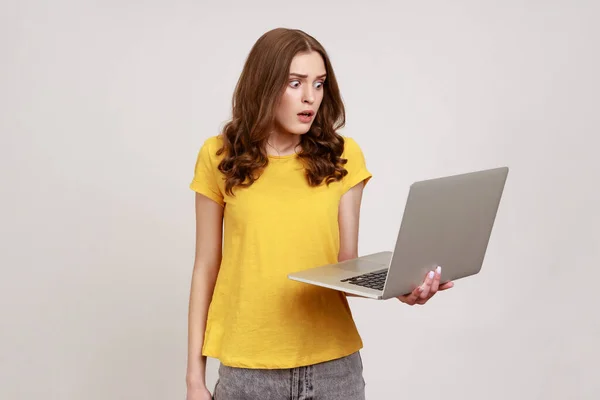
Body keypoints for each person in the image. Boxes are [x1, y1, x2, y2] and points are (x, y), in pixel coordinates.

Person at [185, 27, 454, 400]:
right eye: (295, 83)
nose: (310, 97)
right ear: (264, 85)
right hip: (249, 373)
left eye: (319, 83)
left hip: (334, 371)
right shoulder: (218, 157)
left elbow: (346, 266)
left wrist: (401, 288)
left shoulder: (343, 155)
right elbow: (205, 268)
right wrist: (194, 381)